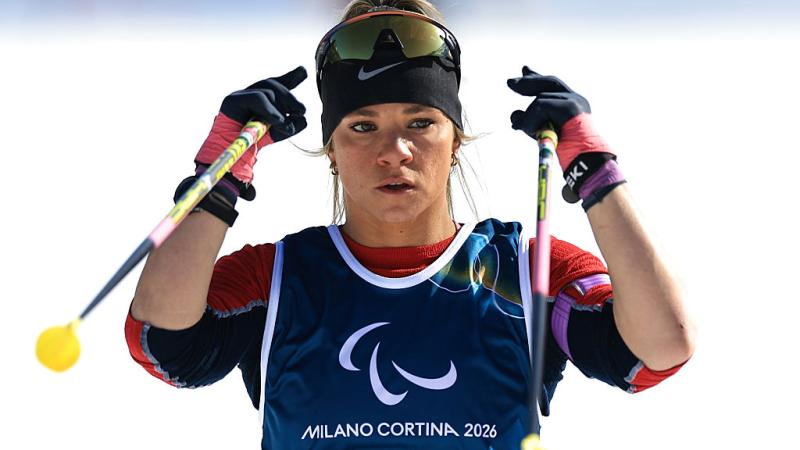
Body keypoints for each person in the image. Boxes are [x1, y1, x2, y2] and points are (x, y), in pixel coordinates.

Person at [125, 0, 696, 448]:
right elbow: (162, 343)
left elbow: (658, 349)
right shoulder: (275, 278)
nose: (394, 151)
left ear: (455, 142)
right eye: (362, 126)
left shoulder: (526, 271)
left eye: (421, 122)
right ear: (331, 149)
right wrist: (214, 181)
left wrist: (597, 175)